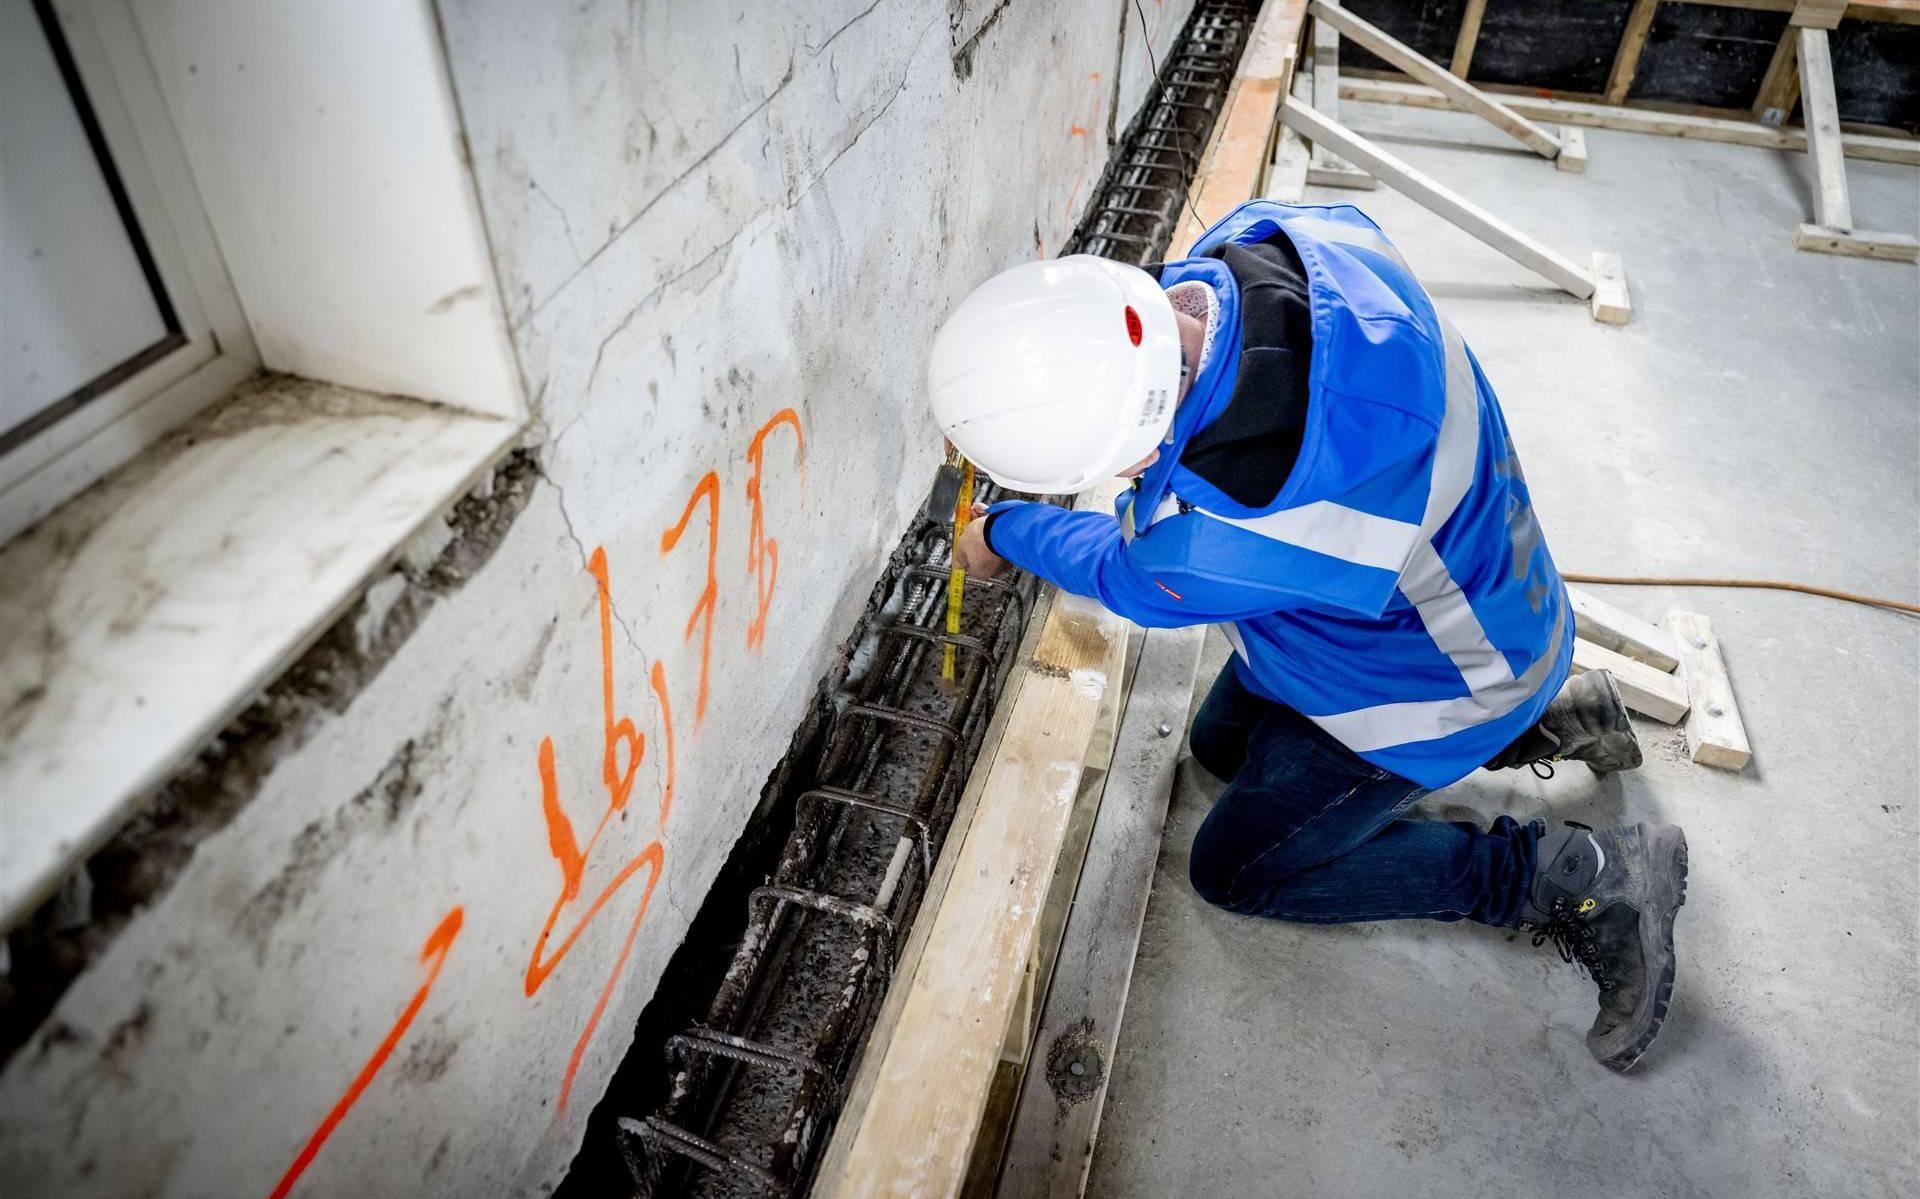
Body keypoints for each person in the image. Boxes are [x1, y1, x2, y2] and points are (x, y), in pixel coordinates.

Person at [925, 201, 1688, 1072]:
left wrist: (1000, 531)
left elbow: (1118, 568)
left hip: (1441, 683)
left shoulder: (1223, 533)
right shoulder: (1281, 237)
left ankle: (1570, 878)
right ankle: (1553, 711)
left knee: (1240, 869)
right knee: (1219, 750)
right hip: (1490, 592)